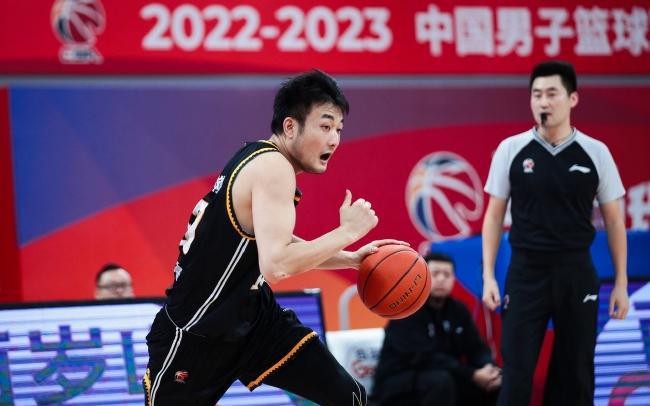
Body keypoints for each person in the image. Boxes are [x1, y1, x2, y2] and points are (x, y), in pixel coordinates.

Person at [144, 70, 404, 406]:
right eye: (325, 127)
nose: (334, 140)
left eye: (339, 129)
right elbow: (277, 264)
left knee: (349, 396)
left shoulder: (257, 156)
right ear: (290, 127)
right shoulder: (274, 167)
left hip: (254, 321)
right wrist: (347, 232)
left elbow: (274, 242)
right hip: (196, 333)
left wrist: (350, 258)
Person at [481, 60, 629, 406]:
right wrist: (488, 276)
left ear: (572, 99)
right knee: (516, 375)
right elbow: (494, 216)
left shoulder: (596, 152)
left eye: (551, 94)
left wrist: (621, 283)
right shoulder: (511, 149)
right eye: (536, 95)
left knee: (576, 375)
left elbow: (614, 222)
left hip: (576, 272)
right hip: (526, 273)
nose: (543, 102)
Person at [372, 252, 501, 406]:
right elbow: (424, 358)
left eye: (446, 274)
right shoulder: (406, 310)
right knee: (440, 381)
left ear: (453, 279)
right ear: (422, 277)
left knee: (496, 382)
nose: (441, 279)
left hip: (444, 376)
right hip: (398, 382)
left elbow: (476, 348)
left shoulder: (458, 309)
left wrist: (488, 368)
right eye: (435, 274)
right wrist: (472, 374)